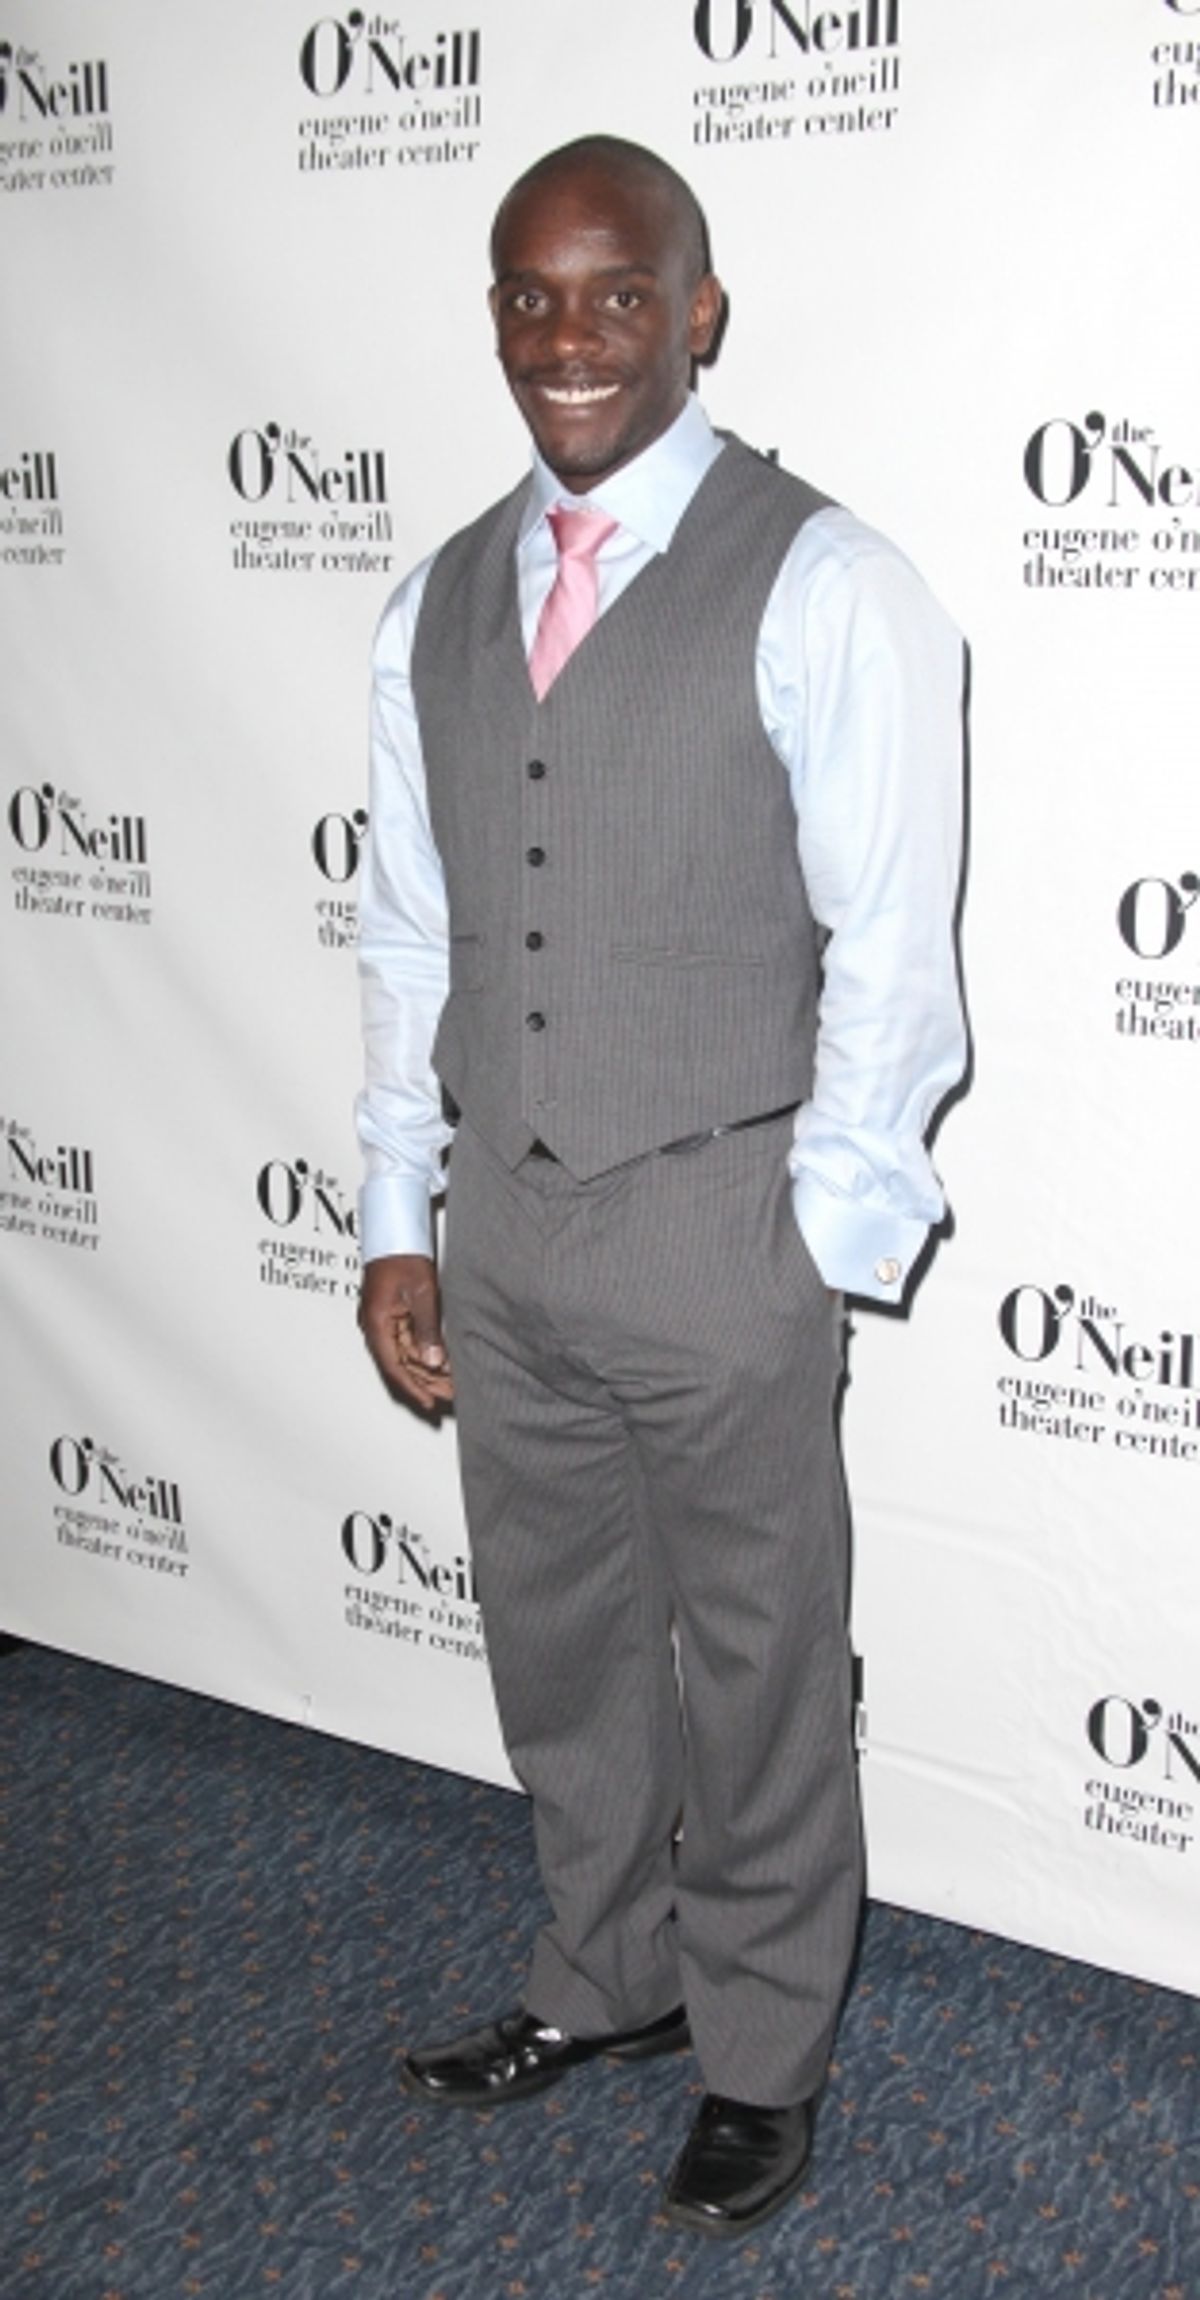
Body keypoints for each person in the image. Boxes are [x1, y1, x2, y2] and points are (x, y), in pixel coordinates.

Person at [355, 133, 965, 2238]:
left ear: (699, 311)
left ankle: (762, 2047)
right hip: (509, 1228)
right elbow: (409, 935)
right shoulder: (435, 597)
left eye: (621, 292)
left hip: (723, 1217)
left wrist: (813, 1244)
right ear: (494, 318)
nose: (574, 335)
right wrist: (399, 1213)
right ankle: (605, 1972)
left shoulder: (830, 582)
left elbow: (896, 953)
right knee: (561, 1635)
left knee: (763, 1654)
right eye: (533, 296)